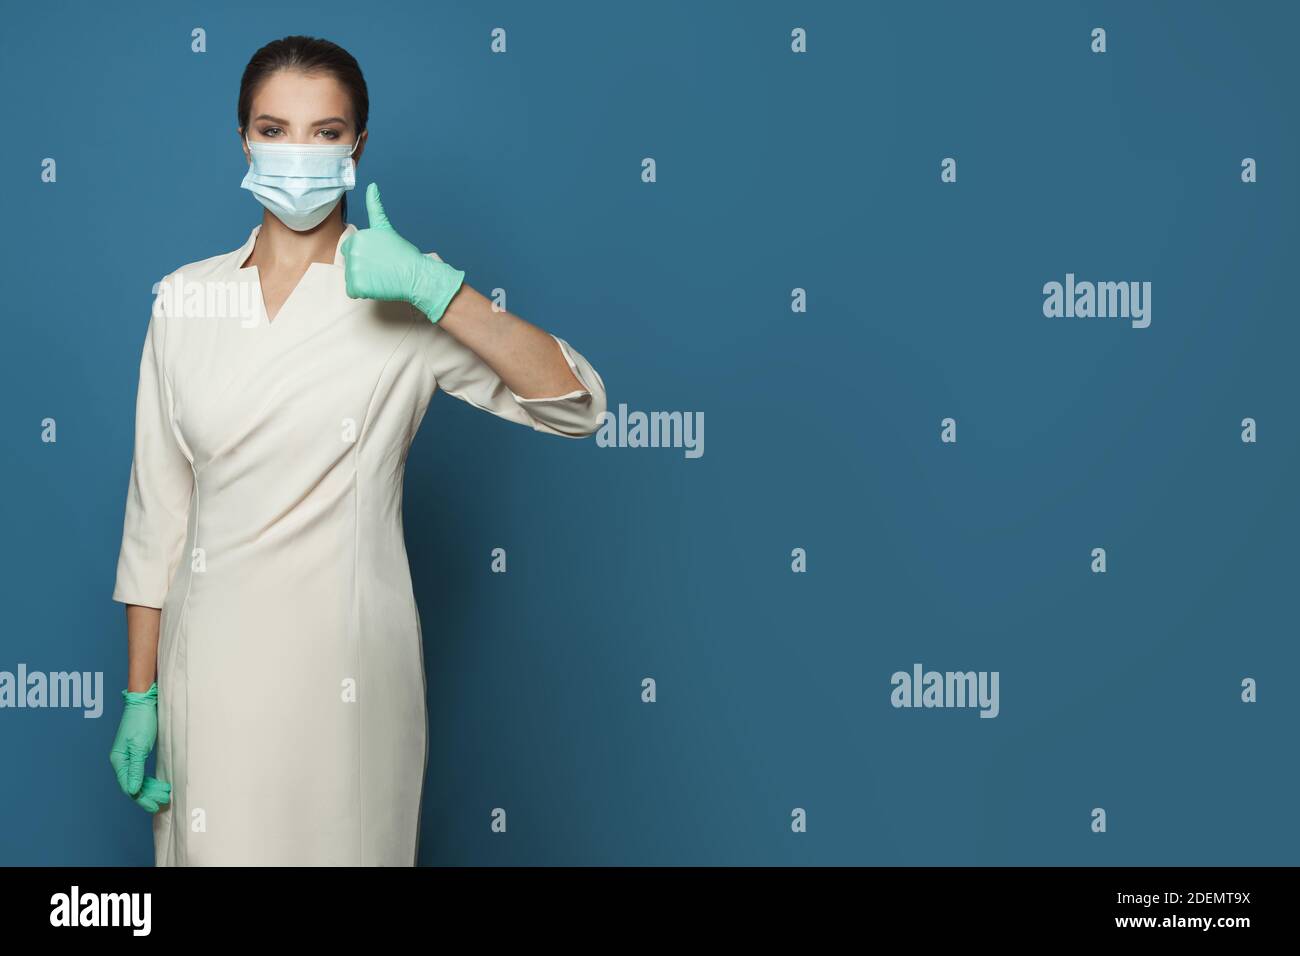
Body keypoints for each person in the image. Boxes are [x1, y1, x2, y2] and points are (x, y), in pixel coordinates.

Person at [106, 35, 607, 866]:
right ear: (243, 139)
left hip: (351, 670)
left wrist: (439, 293)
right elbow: (157, 513)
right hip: (212, 672)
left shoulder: (407, 289)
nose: (297, 153)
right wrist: (140, 694)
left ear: (357, 146)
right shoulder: (185, 299)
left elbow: (576, 405)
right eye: (275, 128)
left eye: (324, 131)